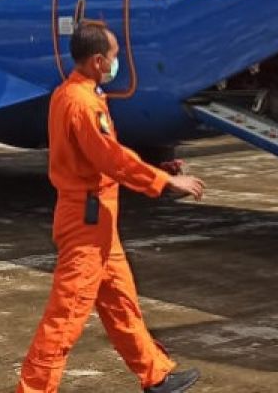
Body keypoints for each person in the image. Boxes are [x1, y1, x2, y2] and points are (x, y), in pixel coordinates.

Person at [18, 22, 206, 393]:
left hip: (97, 218)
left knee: (121, 301)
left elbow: (98, 157)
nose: (118, 62)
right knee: (67, 314)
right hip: (86, 223)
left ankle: (155, 376)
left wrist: (158, 170)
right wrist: (164, 181)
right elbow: (110, 158)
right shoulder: (83, 103)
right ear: (98, 60)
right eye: (115, 56)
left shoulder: (71, 93)